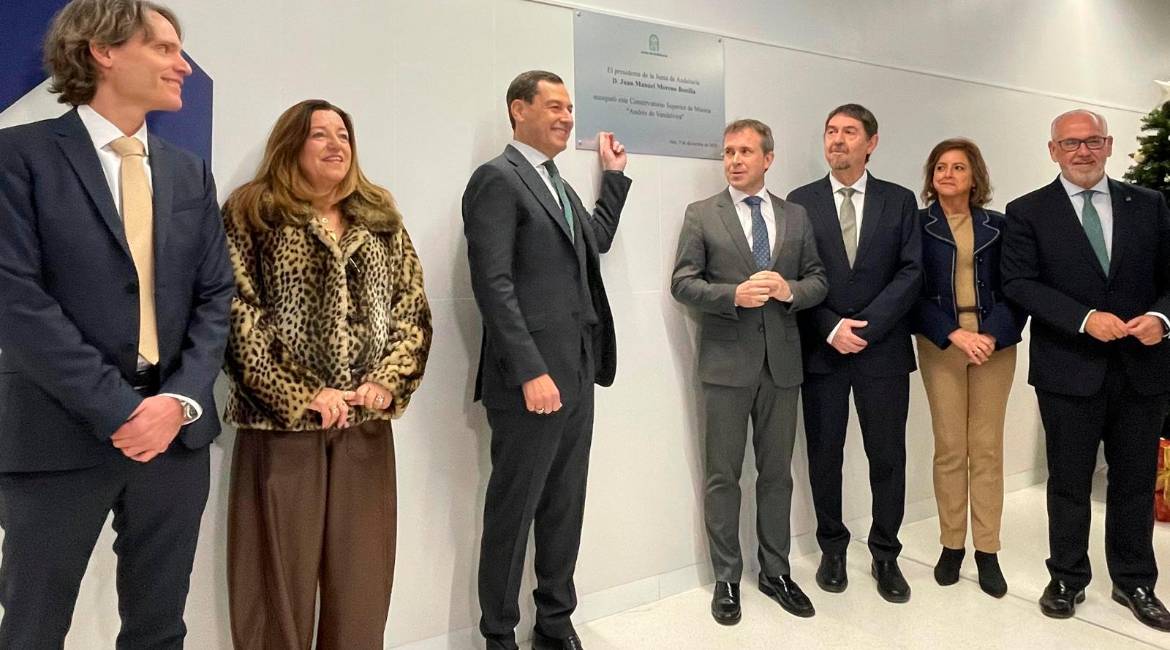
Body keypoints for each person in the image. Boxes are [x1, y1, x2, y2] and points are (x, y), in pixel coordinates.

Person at [0, 1, 234, 646]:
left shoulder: (188, 173)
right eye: (162, 48)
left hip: (174, 439)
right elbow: (16, 300)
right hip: (57, 430)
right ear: (103, 51)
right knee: (32, 625)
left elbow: (216, 297)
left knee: (159, 627)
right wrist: (120, 411)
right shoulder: (19, 156)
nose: (181, 65)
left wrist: (177, 401)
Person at [221, 99, 432, 649]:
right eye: (320, 135)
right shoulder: (253, 213)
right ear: (291, 144)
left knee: (361, 581)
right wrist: (302, 392)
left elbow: (413, 310)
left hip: (364, 426)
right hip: (282, 430)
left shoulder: (382, 219)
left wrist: (387, 381)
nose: (337, 144)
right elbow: (235, 315)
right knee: (275, 584)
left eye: (344, 134)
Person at [463, 70, 630, 650]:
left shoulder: (556, 182)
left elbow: (596, 240)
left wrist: (614, 178)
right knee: (514, 511)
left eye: (569, 108)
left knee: (564, 505)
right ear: (518, 110)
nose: (566, 117)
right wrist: (532, 370)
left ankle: (555, 622)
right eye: (554, 106)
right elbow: (493, 284)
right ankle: (499, 635)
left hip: (579, 371)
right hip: (529, 380)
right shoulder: (497, 180)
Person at [1001, 109, 1170, 631]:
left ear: (1110, 145)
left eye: (1092, 141)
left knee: (1136, 480)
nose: (1082, 151)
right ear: (1053, 150)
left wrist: (1163, 319)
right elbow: (1019, 283)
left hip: (1142, 367)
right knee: (1069, 481)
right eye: (1070, 143)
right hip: (1068, 368)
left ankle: (1136, 580)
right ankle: (1068, 578)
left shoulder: (1150, 204)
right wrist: (1083, 318)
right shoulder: (1027, 211)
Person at [671, 119, 827, 624]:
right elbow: (683, 283)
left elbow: (818, 281)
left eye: (745, 152)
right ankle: (726, 578)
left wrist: (790, 291)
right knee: (723, 476)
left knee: (777, 474)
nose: (735, 160)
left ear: (768, 158)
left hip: (782, 365)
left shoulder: (796, 217)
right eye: (728, 152)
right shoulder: (702, 214)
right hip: (725, 367)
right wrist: (730, 296)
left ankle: (776, 571)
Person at [787, 103, 922, 603]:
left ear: (872, 141)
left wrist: (866, 326)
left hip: (882, 352)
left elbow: (911, 272)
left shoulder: (900, 200)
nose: (838, 140)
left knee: (887, 456)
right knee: (824, 454)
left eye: (849, 132)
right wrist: (830, 327)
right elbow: (796, 277)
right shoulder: (799, 202)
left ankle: (886, 554)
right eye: (830, 131)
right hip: (822, 351)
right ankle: (833, 548)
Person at [913, 138, 1025, 598]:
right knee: (950, 448)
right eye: (940, 166)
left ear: (974, 176)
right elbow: (909, 290)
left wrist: (991, 334)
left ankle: (988, 551)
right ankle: (952, 545)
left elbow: (1018, 287)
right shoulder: (917, 227)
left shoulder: (1001, 226)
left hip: (993, 345)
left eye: (958, 167)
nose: (948, 173)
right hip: (942, 343)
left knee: (987, 449)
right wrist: (953, 333)